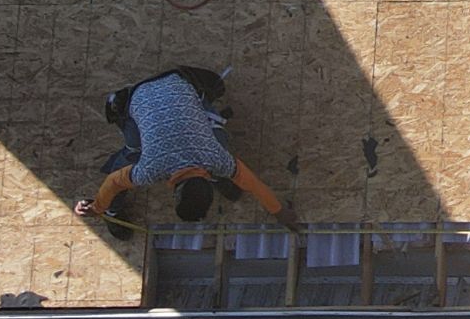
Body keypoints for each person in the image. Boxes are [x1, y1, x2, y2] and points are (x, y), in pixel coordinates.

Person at [76, 67, 301, 227]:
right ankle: (112, 210)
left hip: (171, 86)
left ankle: (110, 208)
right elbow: (113, 182)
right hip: (152, 92)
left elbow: (252, 183)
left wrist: (280, 212)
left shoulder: (216, 160)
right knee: (133, 153)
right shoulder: (151, 169)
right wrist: (96, 208)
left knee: (139, 151)